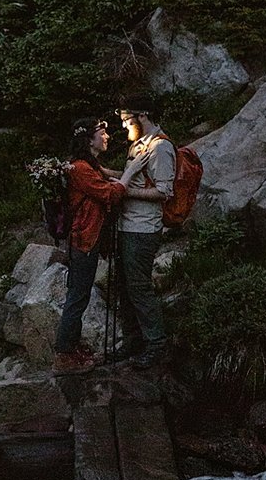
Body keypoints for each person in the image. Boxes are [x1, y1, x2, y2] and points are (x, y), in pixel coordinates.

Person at [52, 117, 146, 376]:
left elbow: (109, 180)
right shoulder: (80, 168)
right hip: (84, 240)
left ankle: (71, 348)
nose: (106, 137)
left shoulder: (88, 166)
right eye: (101, 133)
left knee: (78, 295)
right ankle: (64, 354)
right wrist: (133, 170)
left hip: (86, 239)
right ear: (88, 139)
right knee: (77, 297)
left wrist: (133, 175)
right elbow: (110, 193)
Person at [115, 97, 176, 370]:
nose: (125, 127)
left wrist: (123, 191)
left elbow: (164, 191)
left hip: (143, 228)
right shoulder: (138, 145)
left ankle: (156, 345)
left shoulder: (161, 147)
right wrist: (109, 174)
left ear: (143, 116)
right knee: (125, 287)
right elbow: (137, 177)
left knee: (139, 287)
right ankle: (134, 340)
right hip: (127, 226)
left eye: (128, 121)